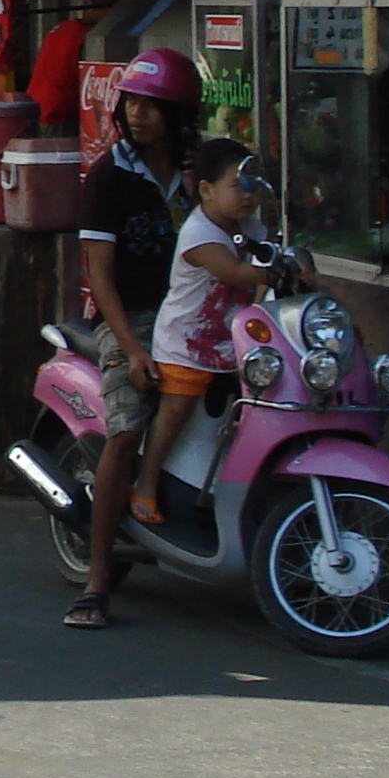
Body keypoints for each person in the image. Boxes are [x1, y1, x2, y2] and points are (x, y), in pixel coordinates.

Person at [62, 47, 202, 629]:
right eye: (133, 103)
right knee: (125, 430)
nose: (140, 114)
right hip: (134, 318)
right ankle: (97, 580)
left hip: (198, 314)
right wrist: (135, 349)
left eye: (155, 105)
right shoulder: (110, 176)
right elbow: (100, 276)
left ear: (179, 113)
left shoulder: (203, 170)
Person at [132, 140, 271, 525]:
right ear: (206, 190)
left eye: (254, 186)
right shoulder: (199, 232)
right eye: (238, 185)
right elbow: (237, 272)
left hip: (231, 342)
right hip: (186, 343)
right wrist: (278, 269)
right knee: (175, 411)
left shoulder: (250, 225)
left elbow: (271, 251)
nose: (249, 196)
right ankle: (146, 481)